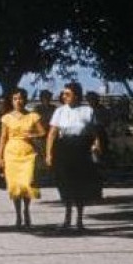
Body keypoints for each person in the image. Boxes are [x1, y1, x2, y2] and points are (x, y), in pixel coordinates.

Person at [46, 81, 103, 231]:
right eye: (63, 94)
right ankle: (67, 216)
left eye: (68, 94)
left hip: (81, 149)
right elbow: (52, 134)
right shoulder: (59, 111)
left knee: (80, 185)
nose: (64, 96)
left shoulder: (87, 110)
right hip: (64, 149)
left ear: (76, 95)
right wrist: (48, 154)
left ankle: (79, 219)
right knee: (65, 184)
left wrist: (97, 145)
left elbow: (94, 133)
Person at [0, 87, 46, 228]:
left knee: (27, 183)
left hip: (28, 152)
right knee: (15, 186)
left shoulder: (33, 116)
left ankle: (26, 210)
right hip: (11, 152)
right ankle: (18, 214)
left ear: (26, 100)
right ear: (11, 101)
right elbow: (2, 137)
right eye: (15, 99)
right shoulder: (6, 118)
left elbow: (43, 132)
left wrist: (32, 135)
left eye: (21, 98)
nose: (18, 101)